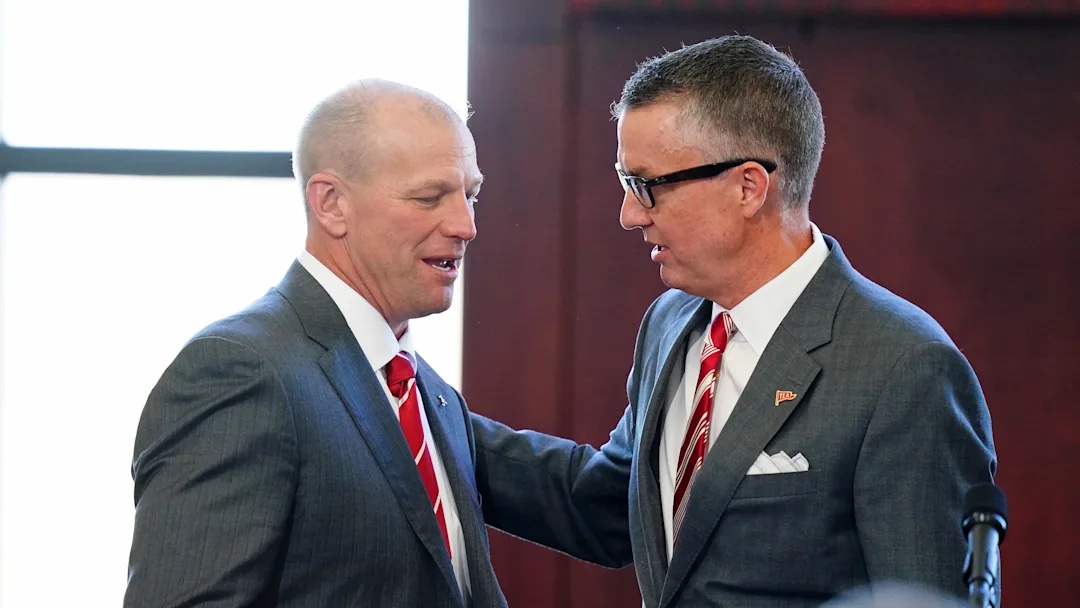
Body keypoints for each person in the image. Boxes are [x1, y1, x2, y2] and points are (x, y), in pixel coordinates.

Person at [471, 35, 996, 607]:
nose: (629, 215)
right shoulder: (670, 323)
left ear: (748, 187)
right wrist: (426, 411)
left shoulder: (906, 368)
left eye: (647, 186)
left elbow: (923, 596)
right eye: (625, 183)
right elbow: (608, 507)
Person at [125, 79, 506, 607]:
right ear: (331, 204)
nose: (466, 225)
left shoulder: (425, 394)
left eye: (471, 195)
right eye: (428, 198)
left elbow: (590, 499)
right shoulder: (240, 373)